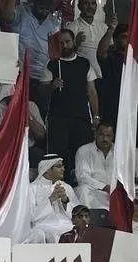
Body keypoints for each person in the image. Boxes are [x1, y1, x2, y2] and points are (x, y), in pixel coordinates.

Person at [40, 29, 99, 175]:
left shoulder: (85, 64)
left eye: (67, 42)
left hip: (81, 118)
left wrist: (96, 116)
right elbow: (41, 91)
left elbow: (92, 92)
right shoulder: (52, 64)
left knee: (80, 156)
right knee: (59, 157)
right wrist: (51, 86)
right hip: (58, 119)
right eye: (61, 43)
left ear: (74, 42)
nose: (64, 45)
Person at [10, 0, 61, 100]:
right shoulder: (21, 12)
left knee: (36, 110)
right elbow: (7, 16)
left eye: (47, 9)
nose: (44, 12)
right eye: (41, 8)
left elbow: (54, 50)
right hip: (19, 73)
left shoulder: (54, 21)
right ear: (35, 3)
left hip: (42, 78)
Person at [29, 155, 80, 243]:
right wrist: (51, 199)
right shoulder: (32, 188)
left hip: (67, 224)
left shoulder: (67, 187)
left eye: (62, 166)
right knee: (54, 233)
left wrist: (65, 200)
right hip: (44, 225)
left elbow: (78, 212)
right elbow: (31, 216)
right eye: (59, 166)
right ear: (47, 169)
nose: (63, 169)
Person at [75, 123, 115, 210]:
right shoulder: (84, 150)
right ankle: (86, 220)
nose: (105, 139)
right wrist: (104, 187)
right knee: (83, 190)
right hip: (94, 192)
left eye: (108, 136)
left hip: (114, 194)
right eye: (101, 135)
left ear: (113, 137)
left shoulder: (119, 151)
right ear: (95, 134)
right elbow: (83, 177)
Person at [65, 0, 108, 78]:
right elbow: (65, 56)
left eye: (93, 3)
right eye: (86, 3)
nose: (90, 6)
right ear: (79, 6)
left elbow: (109, 53)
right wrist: (76, 44)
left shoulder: (104, 28)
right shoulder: (71, 28)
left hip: (102, 77)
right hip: (82, 77)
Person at [97, 18, 127, 127]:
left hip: (131, 109)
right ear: (115, 39)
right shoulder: (111, 57)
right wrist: (111, 30)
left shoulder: (134, 60)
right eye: (124, 37)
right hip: (113, 109)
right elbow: (101, 53)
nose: (128, 40)